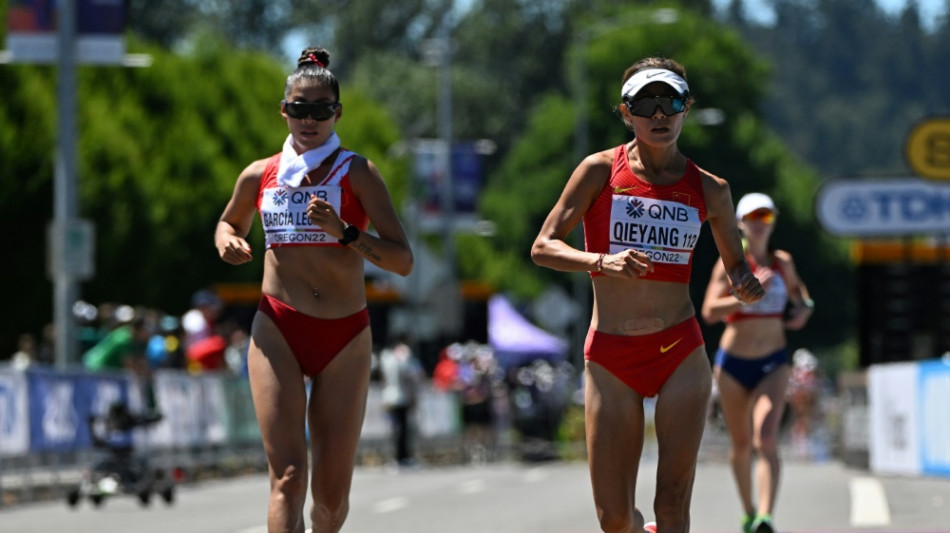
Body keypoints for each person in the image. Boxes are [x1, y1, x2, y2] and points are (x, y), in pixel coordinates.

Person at [531, 56, 764, 533]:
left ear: (687, 107)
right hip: (612, 356)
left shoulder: (711, 189)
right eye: (646, 103)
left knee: (672, 508)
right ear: (625, 112)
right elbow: (543, 246)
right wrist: (601, 261)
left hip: (679, 350)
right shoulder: (599, 171)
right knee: (614, 519)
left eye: (670, 102)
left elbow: (736, 266)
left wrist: (746, 284)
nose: (659, 115)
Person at [214, 46, 413, 533]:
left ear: (336, 113)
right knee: (286, 477)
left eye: (321, 110)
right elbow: (227, 222)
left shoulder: (359, 172)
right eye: (299, 109)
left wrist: (346, 232)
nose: (309, 120)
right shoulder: (260, 175)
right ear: (284, 111)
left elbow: (402, 260)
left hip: (343, 337)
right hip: (276, 326)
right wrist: (228, 241)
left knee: (329, 500)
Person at [701, 192, 813, 533]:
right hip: (734, 363)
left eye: (766, 217)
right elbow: (708, 312)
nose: (759, 224)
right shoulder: (731, 265)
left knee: (765, 439)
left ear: (773, 221)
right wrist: (741, 294)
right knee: (740, 443)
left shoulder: (783, 262)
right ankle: (748, 510)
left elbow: (799, 294)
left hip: (773, 362)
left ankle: (765, 515)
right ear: (740, 224)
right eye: (753, 218)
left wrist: (805, 309)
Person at [378, 334, 424, 466]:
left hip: (389, 395)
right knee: (403, 430)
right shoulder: (403, 353)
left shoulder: (386, 356)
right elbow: (411, 374)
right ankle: (403, 457)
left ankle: (398, 457)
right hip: (402, 397)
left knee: (396, 429)